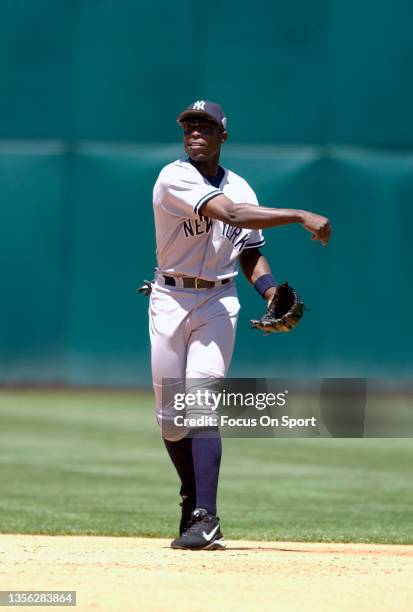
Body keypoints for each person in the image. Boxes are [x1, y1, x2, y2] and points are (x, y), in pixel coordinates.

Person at [148, 100, 331, 550]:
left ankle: (206, 516)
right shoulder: (174, 177)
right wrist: (300, 215)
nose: (194, 132)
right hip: (170, 298)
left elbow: (248, 251)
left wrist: (269, 290)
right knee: (172, 421)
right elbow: (229, 215)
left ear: (222, 136)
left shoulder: (242, 186)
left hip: (218, 299)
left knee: (203, 399)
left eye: (204, 126)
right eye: (189, 125)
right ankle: (192, 498)